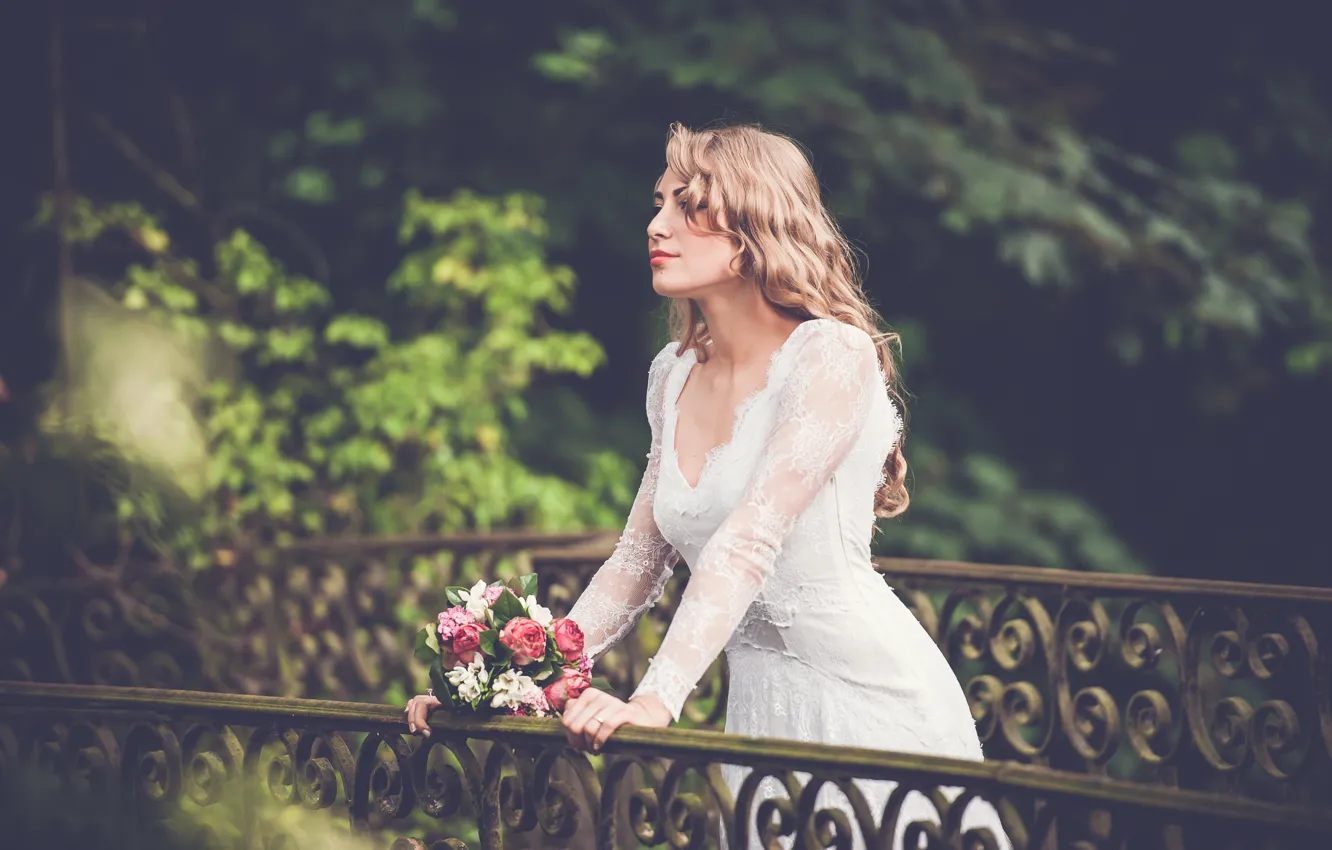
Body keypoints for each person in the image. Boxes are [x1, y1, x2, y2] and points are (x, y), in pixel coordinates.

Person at [406, 122, 1007, 849]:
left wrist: (656, 699)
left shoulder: (830, 356)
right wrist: (504, 680)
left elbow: (749, 539)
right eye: (659, 203)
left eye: (690, 206)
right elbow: (635, 562)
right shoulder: (674, 374)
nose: (657, 225)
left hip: (870, 702)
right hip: (759, 712)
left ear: (756, 226)